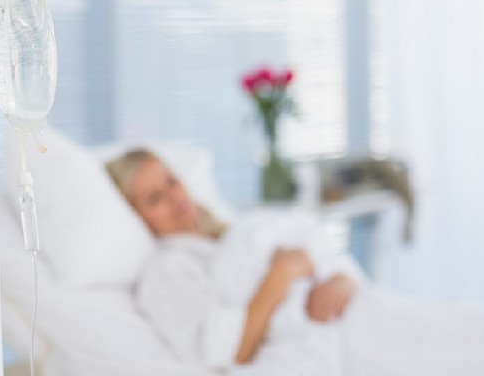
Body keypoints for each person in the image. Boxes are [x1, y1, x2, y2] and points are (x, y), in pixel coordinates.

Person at [107, 149, 361, 372]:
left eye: (171, 181)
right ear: (135, 217)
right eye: (155, 198)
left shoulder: (234, 232)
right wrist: (282, 273)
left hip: (345, 318)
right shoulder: (166, 272)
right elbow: (232, 351)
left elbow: (325, 255)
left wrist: (342, 281)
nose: (174, 197)